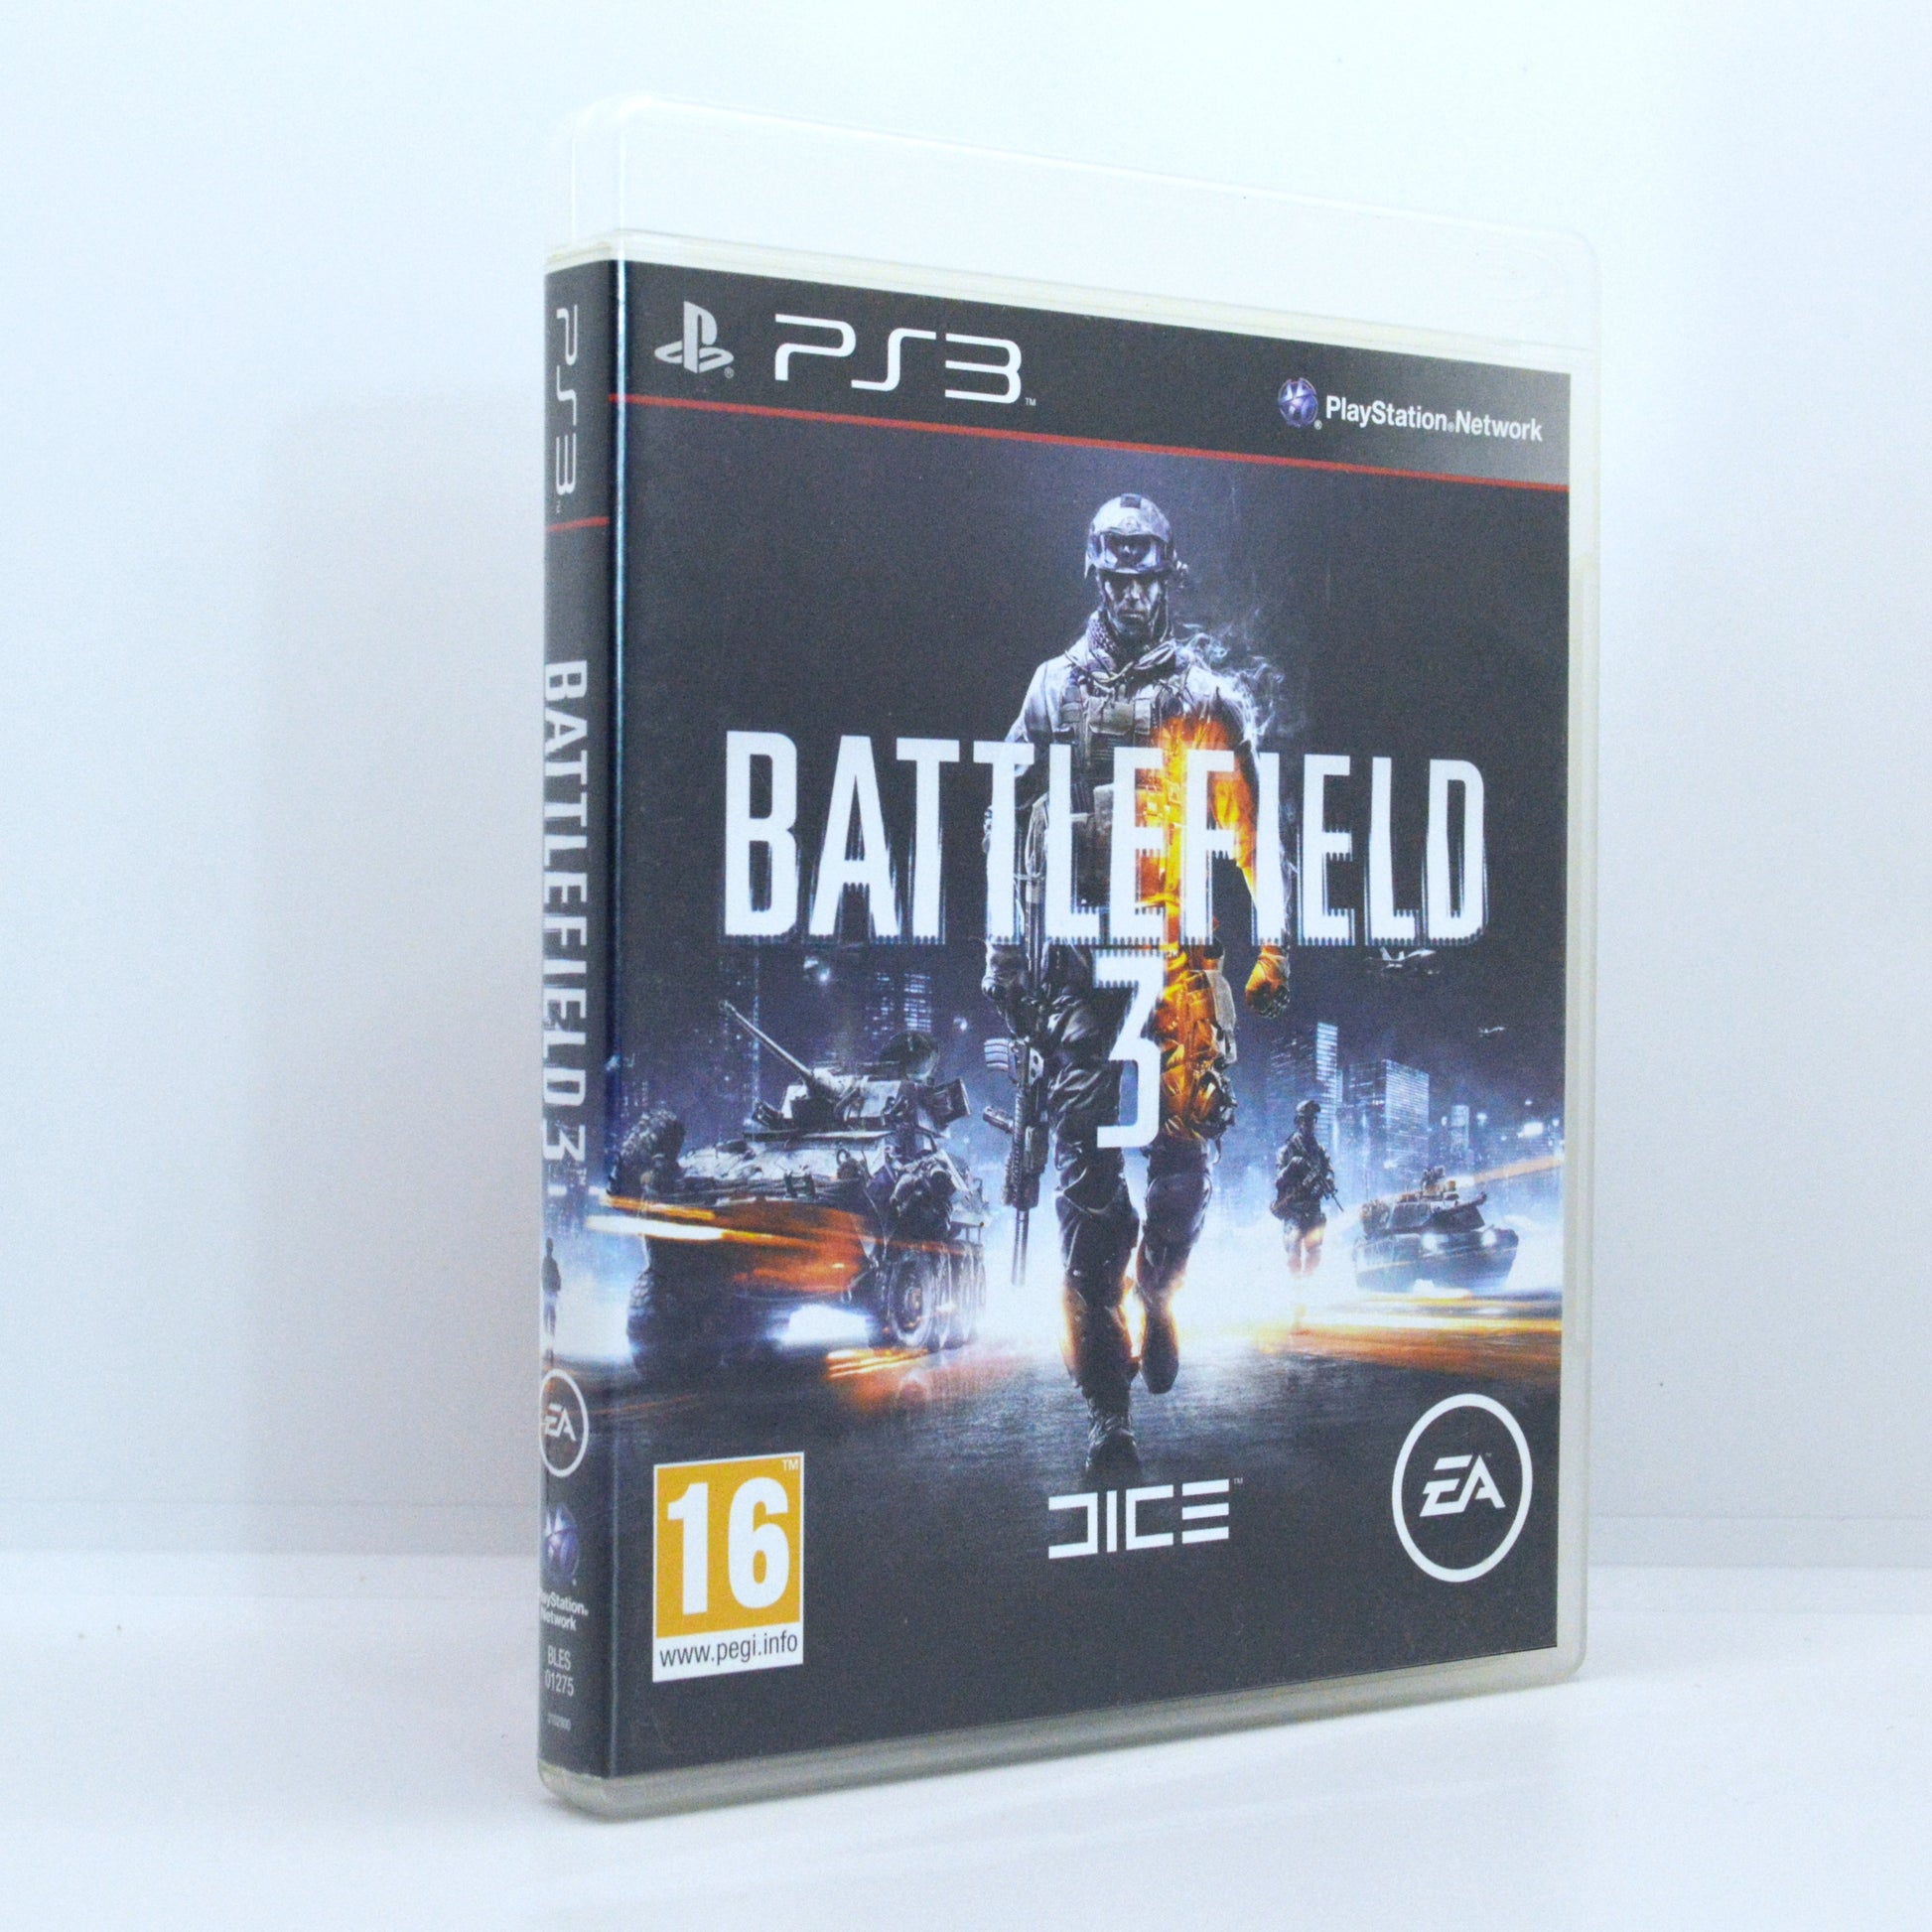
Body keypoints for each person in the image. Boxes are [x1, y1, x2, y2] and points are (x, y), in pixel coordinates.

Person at [983, 494, 1289, 1474]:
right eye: (1116, 578)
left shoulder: (1201, 692)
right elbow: (1005, 812)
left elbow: (1253, 823)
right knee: (1084, 1198)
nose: (1130, 596)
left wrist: (1273, 941)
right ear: (1095, 576)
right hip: (1078, 971)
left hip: (1175, 967)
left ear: (1166, 581)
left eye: (1145, 578)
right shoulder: (1050, 689)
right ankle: (1107, 1415)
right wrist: (1002, 946)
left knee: (1181, 1175)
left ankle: (1157, 1293)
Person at [1272, 1099, 1336, 1277]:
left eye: (1312, 1120)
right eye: (1305, 1120)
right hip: (1294, 1210)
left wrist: (1329, 1181)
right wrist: (1292, 1166)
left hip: (1313, 1209)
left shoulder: (1319, 1150)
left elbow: (1329, 1170)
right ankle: (1296, 1287)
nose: (1309, 1124)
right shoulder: (1287, 1151)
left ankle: (1308, 1285)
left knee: (1314, 1255)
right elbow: (1278, 1181)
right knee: (1293, 1257)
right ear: (1298, 1122)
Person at [541, 1236, 563, 1349]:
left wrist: (555, 1287)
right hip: (550, 1291)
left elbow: (556, 1277)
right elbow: (556, 1278)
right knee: (549, 1314)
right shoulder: (549, 1262)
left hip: (550, 1291)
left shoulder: (549, 1262)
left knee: (549, 1314)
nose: (549, 1249)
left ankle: (550, 1339)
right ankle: (549, 1338)